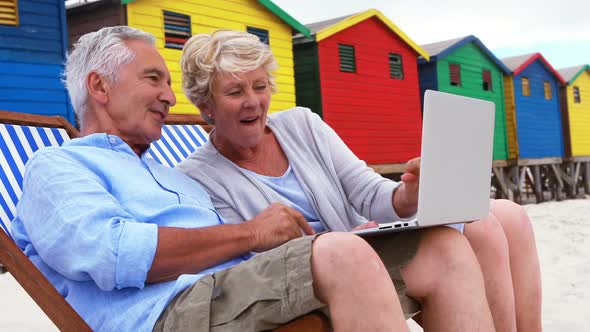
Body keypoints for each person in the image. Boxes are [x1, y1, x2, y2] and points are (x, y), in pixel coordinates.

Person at [10, 26, 495, 332]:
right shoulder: (58, 167)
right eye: (153, 79)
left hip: (230, 291)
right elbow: (115, 255)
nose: (168, 96)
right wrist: (254, 233)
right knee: (342, 252)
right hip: (169, 314)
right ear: (99, 86)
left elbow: (244, 256)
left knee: (441, 247)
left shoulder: (160, 173)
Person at [177, 30, 542, 331]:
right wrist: (339, 241)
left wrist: (407, 193)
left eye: (260, 86)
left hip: (367, 239)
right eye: (235, 92)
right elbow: (249, 267)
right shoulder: (197, 177)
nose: (253, 102)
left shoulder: (303, 124)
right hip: (319, 274)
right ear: (205, 104)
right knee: (471, 233)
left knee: (508, 215)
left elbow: (368, 193)